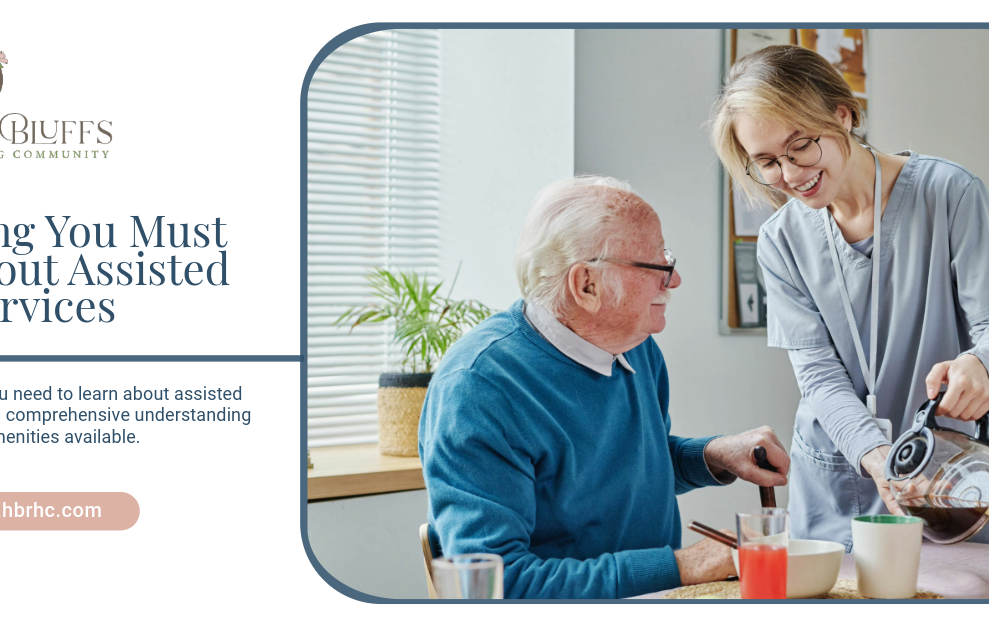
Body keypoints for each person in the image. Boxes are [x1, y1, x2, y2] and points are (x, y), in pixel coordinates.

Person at [417, 175, 790, 599]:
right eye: (658, 265)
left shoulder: (636, 347)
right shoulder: (478, 388)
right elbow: (497, 585)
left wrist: (713, 455)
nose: (675, 279)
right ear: (586, 285)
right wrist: (680, 566)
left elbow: (624, 467)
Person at [708, 44, 989, 547]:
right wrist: (874, 454)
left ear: (844, 114)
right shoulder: (781, 241)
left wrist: (981, 362)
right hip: (838, 478)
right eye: (768, 162)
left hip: (949, 471)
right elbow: (818, 375)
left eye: (801, 146)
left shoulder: (950, 194)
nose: (791, 175)